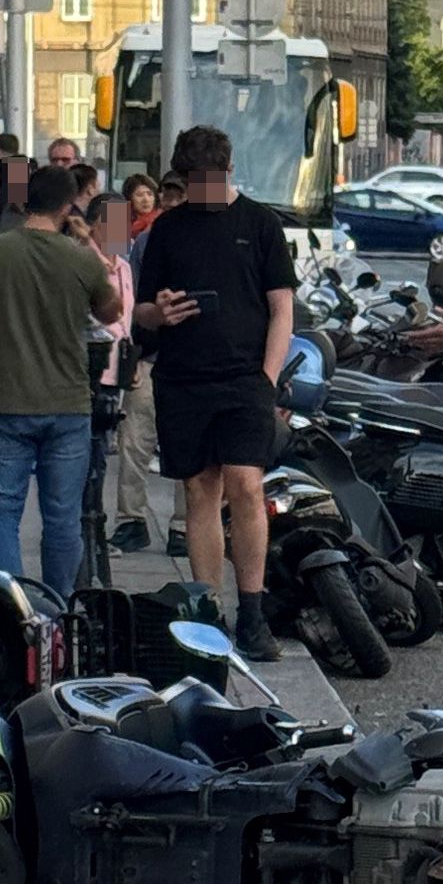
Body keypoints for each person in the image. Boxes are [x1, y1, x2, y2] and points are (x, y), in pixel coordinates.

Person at [133, 121, 296, 660]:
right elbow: (142, 310)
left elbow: (281, 307)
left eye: (209, 180)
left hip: (246, 378)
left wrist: (268, 376)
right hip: (183, 377)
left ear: (228, 171)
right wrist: (160, 313)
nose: (201, 191)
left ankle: (253, 611)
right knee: (199, 490)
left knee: (246, 485)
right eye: (191, 182)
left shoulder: (260, 223)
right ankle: (208, 613)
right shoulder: (168, 229)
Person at [0, 160, 118, 583]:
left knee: (0, 511)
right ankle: (59, 605)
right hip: (68, 404)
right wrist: (93, 249)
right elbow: (112, 312)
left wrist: (0, 323)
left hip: (6, 401)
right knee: (62, 517)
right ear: (67, 206)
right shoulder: (80, 259)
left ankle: (11, 604)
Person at [107, 172, 163, 547]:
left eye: (151, 194)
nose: (148, 200)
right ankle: (131, 519)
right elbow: (126, 296)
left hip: (188, 361)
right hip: (146, 356)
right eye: (138, 194)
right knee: (134, 440)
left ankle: (182, 526)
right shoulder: (135, 236)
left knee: (187, 448)